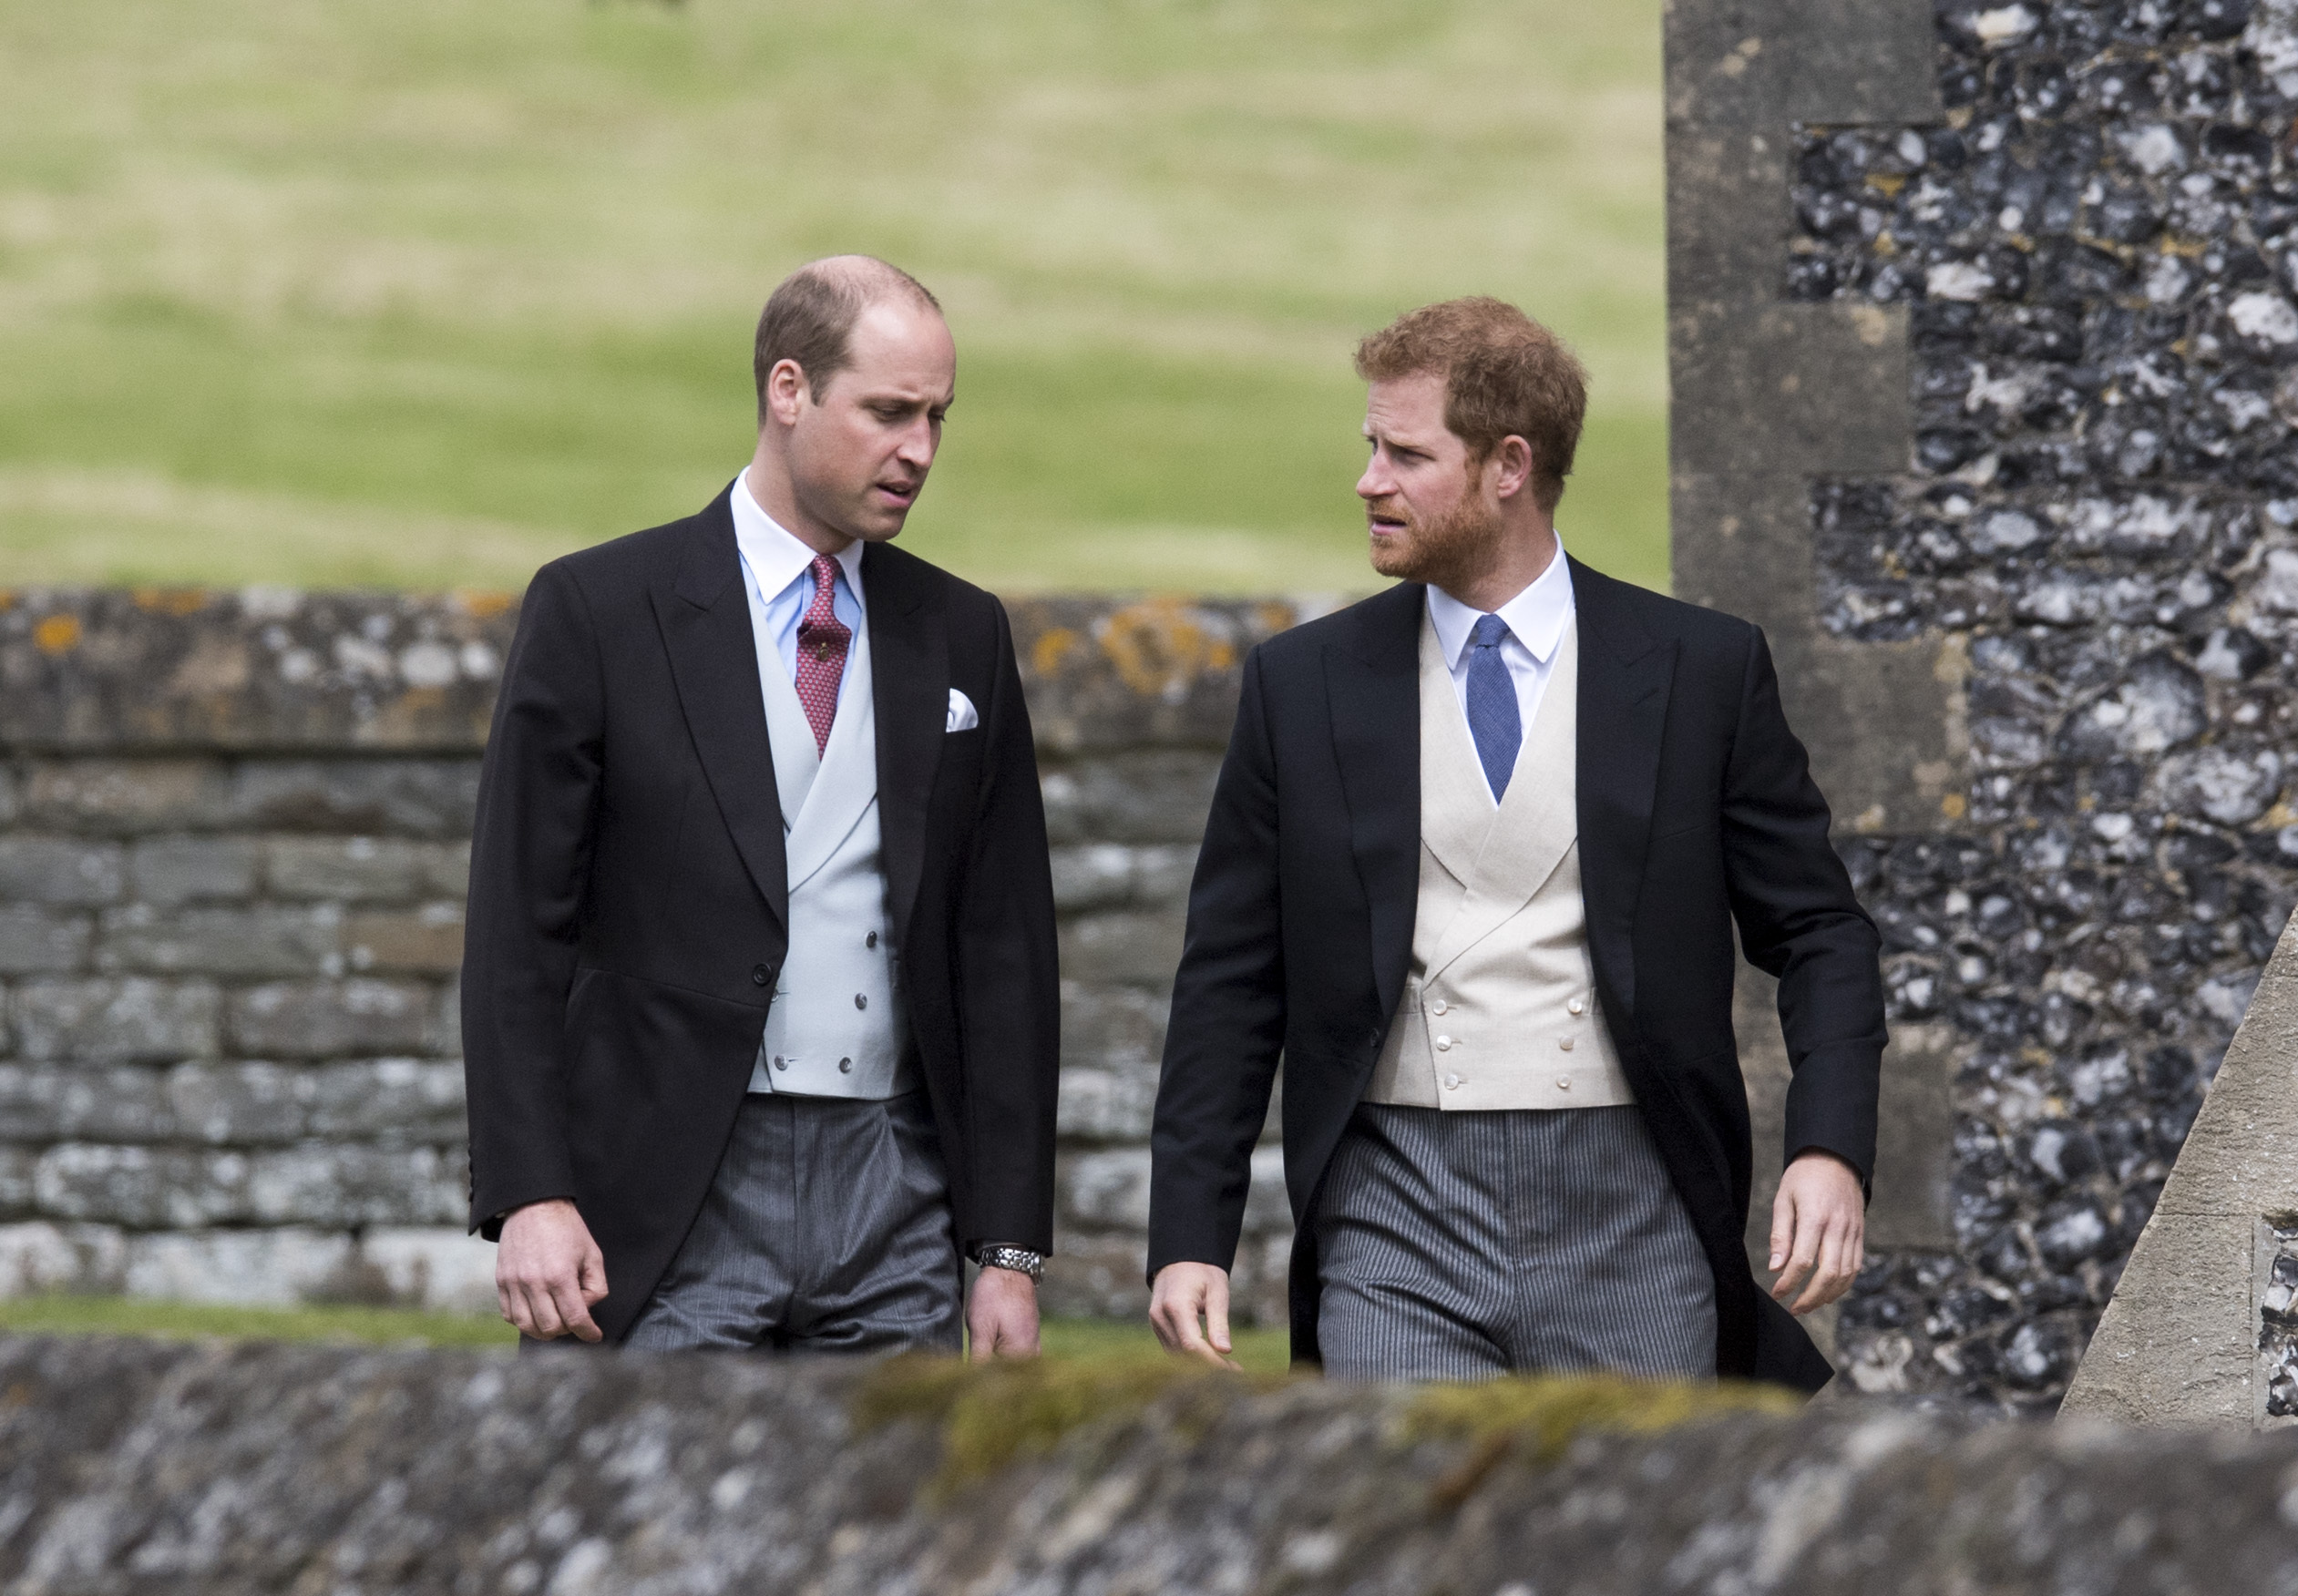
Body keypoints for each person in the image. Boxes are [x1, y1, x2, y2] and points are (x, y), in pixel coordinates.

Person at [1144, 297, 1883, 1389]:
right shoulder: (1301, 687)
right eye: (1370, 447)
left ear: (1508, 466)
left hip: (1635, 1214)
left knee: (1634, 1546)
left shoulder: (1700, 672)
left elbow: (1821, 931)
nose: (1368, 481)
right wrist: (1189, 1232)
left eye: (1405, 453)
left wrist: (1828, 1148)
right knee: (1407, 1542)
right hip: (1394, 1216)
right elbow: (1230, 980)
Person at [463, 256, 1058, 1357]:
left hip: (898, 1195)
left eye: (937, 417)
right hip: (665, 1194)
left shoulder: (960, 630)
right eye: (889, 412)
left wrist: (1008, 1251)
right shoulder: (598, 610)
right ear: (789, 390)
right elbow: (515, 932)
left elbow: (1004, 956)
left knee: (892, 1527)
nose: (919, 450)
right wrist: (530, 1192)